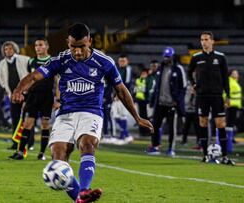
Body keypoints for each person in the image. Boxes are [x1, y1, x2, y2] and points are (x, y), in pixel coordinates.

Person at [11, 22, 153, 203]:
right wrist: (18, 90)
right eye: (73, 47)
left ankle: (84, 190)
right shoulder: (60, 60)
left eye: (82, 47)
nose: (77, 52)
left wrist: (137, 117)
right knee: (59, 155)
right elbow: (33, 77)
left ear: (90, 42)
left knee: (87, 144)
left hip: (91, 112)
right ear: (67, 43)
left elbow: (121, 89)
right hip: (65, 114)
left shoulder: (104, 62)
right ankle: (80, 199)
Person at [188, 31, 235, 165]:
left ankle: (225, 156)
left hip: (217, 95)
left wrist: (228, 96)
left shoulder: (220, 57)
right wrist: (193, 84)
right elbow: (189, 72)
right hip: (202, 96)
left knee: (221, 124)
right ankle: (205, 155)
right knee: (202, 122)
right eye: (202, 39)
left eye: (206, 39)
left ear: (212, 41)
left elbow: (225, 77)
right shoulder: (196, 57)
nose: (204, 42)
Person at [9, 37, 54, 160]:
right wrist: (24, 94)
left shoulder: (52, 61)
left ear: (47, 46)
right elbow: (29, 79)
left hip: (47, 96)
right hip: (33, 96)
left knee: (45, 124)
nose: (38, 48)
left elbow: (57, 80)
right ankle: (20, 152)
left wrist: (58, 98)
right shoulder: (32, 62)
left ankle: (42, 153)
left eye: (40, 45)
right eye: (36, 45)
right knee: (27, 123)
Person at [148, 47, 186, 156]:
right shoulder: (160, 68)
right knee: (154, 125)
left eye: (168, 57)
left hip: (171, 104)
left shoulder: (178, 69)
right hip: (160, 103)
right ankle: (155, 146)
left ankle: (171, 148)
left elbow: (183, 87)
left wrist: (177, 101)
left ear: (172, 56)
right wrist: (152, 101)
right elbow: (157, 87)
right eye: (165, 56)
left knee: (171, 128)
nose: (166, 58)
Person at [0, 41, 30, 149]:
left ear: (15, 49)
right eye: (6, 49)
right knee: (15, 119)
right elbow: (1, 78)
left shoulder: (25, 59)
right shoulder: (2, 63)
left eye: (10, 49)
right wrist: (8, 92)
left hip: (26, 94)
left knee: (28, 119)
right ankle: (16, 142)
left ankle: (29, 142)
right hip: (13, 95)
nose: (8, 51)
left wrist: (27, 89)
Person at [225, 69, 242, 147]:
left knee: (232, 123)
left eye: (237, 73)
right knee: (230, 123)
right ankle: (228, 139)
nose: (236, 74)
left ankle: (230, 138)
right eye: (234, 73)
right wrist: (226, 102)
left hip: (235, 105)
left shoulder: (234, 81)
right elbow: (225, 93)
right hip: (231, 105)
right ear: (230, 74)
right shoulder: (230, 82)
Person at [181, 80, 200, 146]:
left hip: (195, 111)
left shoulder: (198, 86)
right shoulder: (187, 87)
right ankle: (184, 140)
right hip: (188, 110)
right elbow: (185, 99)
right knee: (186, 127)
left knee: (197, 127)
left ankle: (198, 141)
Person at [134, 68, 149, 136]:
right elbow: (135, 90)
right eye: (142, 73)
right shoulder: (138, 80)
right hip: (139, 100)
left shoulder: (148, 81)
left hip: (145, 101)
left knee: (146, 117)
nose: (143, 75)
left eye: (145, 74)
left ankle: (146, 131)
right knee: (140, 117)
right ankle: (142, 131)